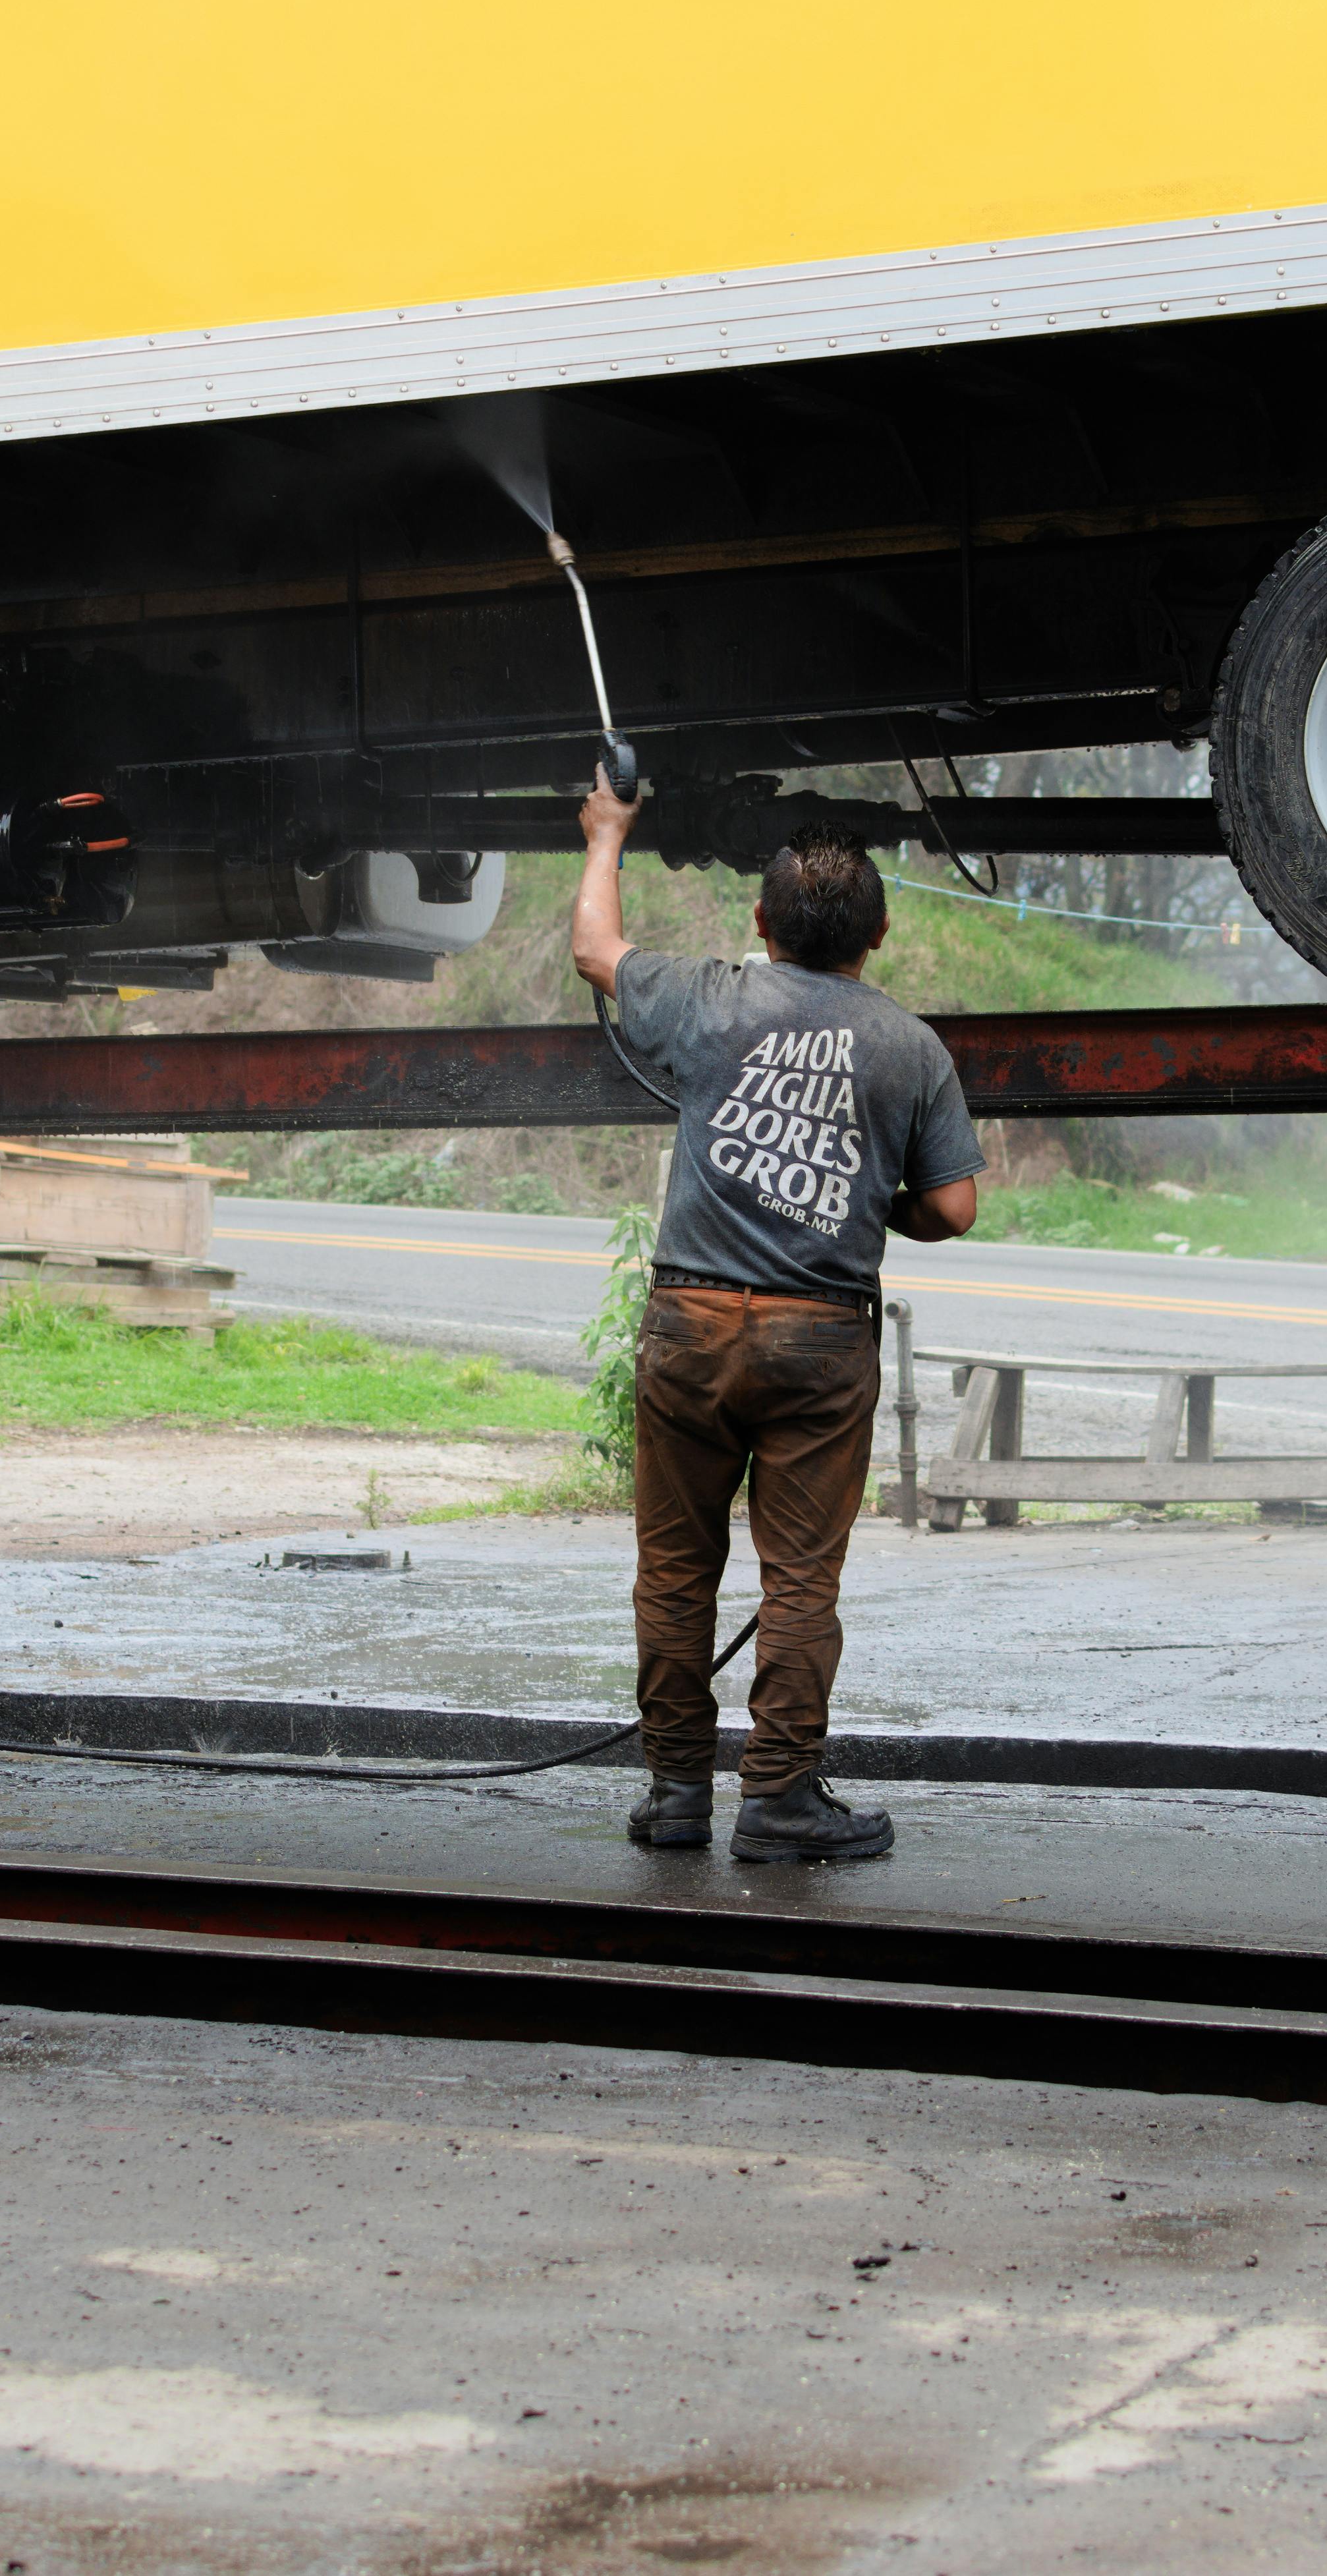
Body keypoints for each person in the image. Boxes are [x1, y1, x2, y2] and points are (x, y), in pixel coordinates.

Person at [572, 773, 981, 1862]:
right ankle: (780, 1799)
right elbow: (955, 1206)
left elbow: (597, 952)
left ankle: (672, 1797)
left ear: (760, 924)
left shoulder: (710, 997)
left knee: (674, 1570)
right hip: (821, 1335)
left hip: (690, 1324)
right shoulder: (911, 1047)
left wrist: (608, 833)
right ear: (881, 934)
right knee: (799, 1581)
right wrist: (866, 1199)